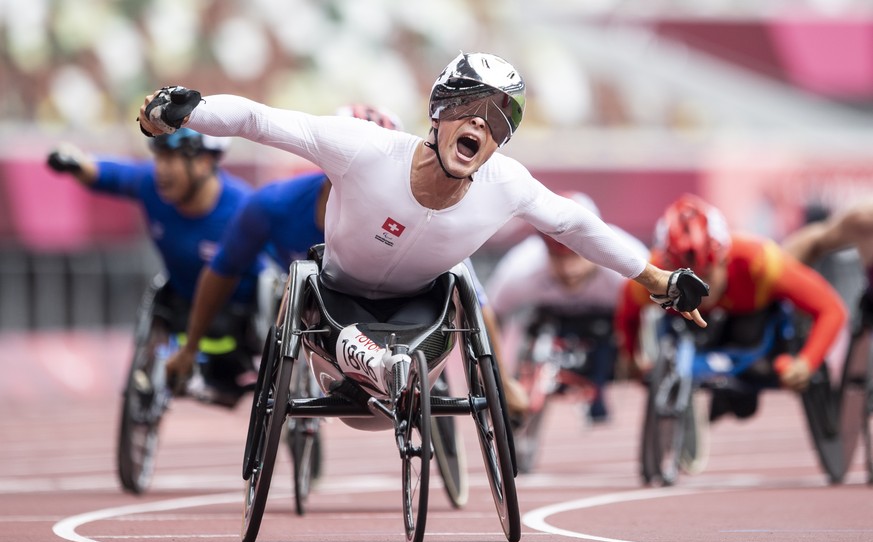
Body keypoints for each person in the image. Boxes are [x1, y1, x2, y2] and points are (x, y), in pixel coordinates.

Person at [138, 52, 709, 392]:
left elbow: (577, 226)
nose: (481, 126)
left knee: (461, 281)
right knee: (310, 285)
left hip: (421, 323)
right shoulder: (364, 148)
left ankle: (388, 366)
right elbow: (263, 121)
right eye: (469, 109)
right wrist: (188, 110)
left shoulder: (506, 183)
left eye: (499, 120)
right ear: (438, 112)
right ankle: (369, 361)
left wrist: (659, 281)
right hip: (332, 305)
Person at [46, 129, 263, 407]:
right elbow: (106, 174)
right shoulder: (151, 185)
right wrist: (72, 160)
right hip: (182, 306)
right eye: (159, 158)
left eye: (172, 159)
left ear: (205, 163)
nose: (161, 170)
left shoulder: (243, 209)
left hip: (242, 317)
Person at [615, 194, 847, 420]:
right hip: (690, 330)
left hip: (754, 329)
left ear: (725, 259)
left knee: (753, 343)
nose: (699, 289)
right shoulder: (651, 276)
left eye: (706, 275)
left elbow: (831, 309)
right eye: (685, 280)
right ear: (667, 271)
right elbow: (628, 314)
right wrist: (631, 357)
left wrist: (806, 363)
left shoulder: (761, 262)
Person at [486, 191, 649, 424]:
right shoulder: (521, 267)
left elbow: (651, 310)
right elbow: (491, 315)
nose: (568, 271)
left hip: (610, 327)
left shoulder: (625, 260)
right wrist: (496, 373)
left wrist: (640, 356)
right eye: (558, 258)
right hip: (551, 322)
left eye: (575, 257)